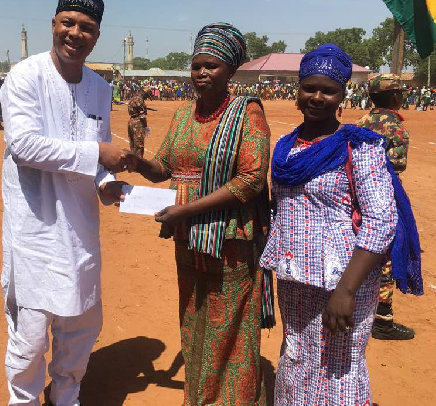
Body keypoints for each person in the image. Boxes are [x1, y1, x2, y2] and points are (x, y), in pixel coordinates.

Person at [260, 44, 423, 405]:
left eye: (328, 90)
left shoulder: (360, 148)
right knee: (297, 358)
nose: (317, 97)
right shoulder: (286, 147)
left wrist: (346, 291)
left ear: (342, 95)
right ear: (298, 90)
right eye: (309, 88)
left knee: (339, 367)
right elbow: (280, 210)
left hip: (343, 280)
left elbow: (381, 222)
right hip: (293, 276)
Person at [126, 23, 270, 405]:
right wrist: (136, 162)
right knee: (194, 318)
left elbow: (250, 180)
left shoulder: (247, 113)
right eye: (196, 65)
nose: (201, 73)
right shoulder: (182, 117)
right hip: (188, 239)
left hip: (230, 241)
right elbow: (164, 167)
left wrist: (186, 209)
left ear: (231, 71)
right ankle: (199, 396)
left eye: (212, 66)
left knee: (230, 325)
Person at [0, 0, 127, 406]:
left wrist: (107, 184)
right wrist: (96, 153)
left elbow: (99, 158)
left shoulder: (100, 88)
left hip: (81, 230)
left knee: (80, 324)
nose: (75, 33)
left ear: (97, 35)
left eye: (86, 27)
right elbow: (24, 146)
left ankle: (67, 393)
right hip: (34, 230)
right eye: (67, 23)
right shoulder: (24, 76)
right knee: (31, 334)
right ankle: (24, 399)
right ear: (53, 24)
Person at [357, 74, 414, 340]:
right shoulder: (397, 127)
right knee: (387, 255)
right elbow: (397, 165)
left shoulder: (360, 122)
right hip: (384, 194)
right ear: (395, 97)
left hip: (357, 193)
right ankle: (382, 319)